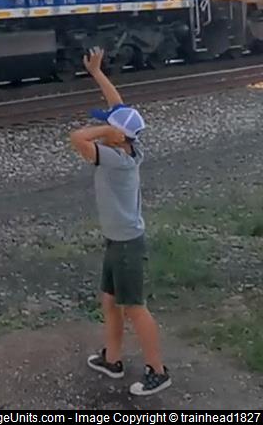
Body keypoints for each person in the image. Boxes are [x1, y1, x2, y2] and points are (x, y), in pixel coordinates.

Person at [68, 47, 171, 397]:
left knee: (134, 308)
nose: (105, 126)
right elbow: (120, 108)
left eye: (110, 126)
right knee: (110, 302)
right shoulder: (131, 146)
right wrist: (97, 73)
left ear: (117, 136)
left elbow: (77, 138)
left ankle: (158, 371)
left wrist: (105, 129)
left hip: (127, 245)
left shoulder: (114, 159)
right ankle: (112, 360)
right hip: (118, 241)